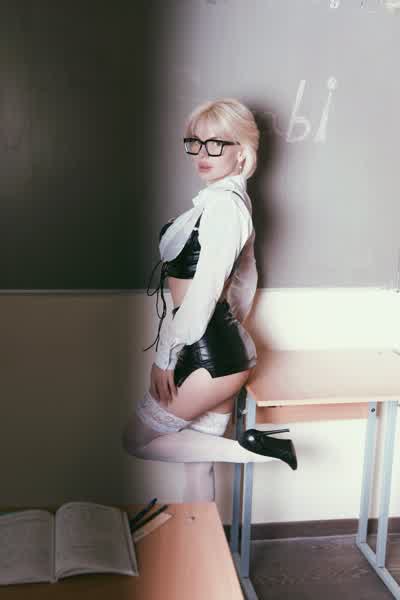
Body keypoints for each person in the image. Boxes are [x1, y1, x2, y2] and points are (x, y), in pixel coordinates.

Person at [122, 98, 297, 502]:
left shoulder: (224, 207)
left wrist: (165, 357)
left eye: (217, 144)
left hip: (208, 355)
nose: (202, 153)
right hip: (218, 349)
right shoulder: (226, 201)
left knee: (135, 440)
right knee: (198, 467)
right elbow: (242, 283)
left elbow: (202, 295)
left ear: (242, 153)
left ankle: (257, 451)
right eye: (196, 142)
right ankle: (201, 538)